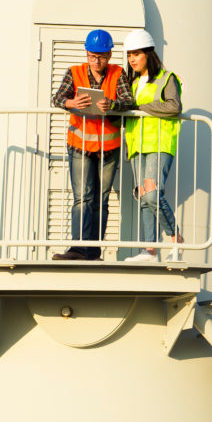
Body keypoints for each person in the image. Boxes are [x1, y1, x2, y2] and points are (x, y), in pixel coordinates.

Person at [51, 29, 130, 260]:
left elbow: (128, 101)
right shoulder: (74, 73)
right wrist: (71, 101)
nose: (97, 61)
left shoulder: (118, 73)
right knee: (82, 199)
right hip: (80, 145)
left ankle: (93, 252)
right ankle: (78, 249)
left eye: (103, 56)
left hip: (109, 147)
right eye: (93, 55)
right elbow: (56, 98)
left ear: (110, 55)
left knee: (100, 201)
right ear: (87, 53)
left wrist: (112, 105)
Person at [119, 29, 184, 263]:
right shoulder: (132, 82)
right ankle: (150, 251)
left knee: (154, 194)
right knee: (144, 198)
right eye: (129, 55)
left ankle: (175, 237)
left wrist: (141, 106)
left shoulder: (167, 78)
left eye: (136, 54)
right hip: (137, 145)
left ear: (149, 53)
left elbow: (174, 107)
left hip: (160, 143)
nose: (132, 59)